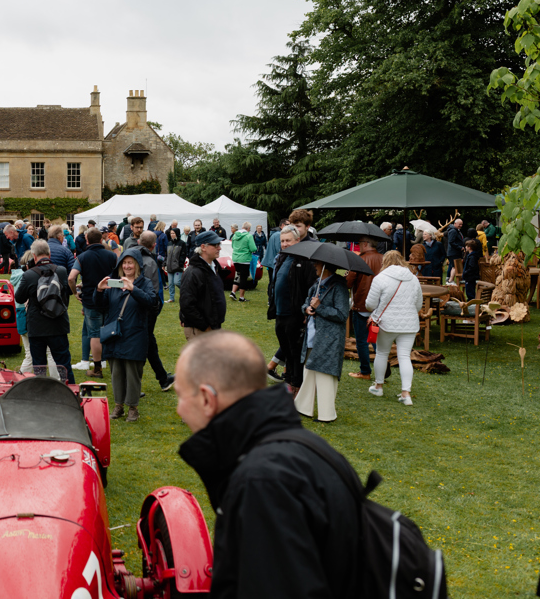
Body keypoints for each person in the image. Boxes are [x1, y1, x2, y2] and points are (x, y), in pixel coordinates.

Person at [174, 331, 360, 598]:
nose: (180, 409)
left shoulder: (262, 483)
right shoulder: (307, 447)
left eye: (181, 396)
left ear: (206, 399)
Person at [94, 247, 156, 420]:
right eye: (124, 263)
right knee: (116, 372)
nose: (127, 266)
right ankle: (118, 405)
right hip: (115, 334)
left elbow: (151, 302)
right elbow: (100, 306)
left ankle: (133, 408)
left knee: (132, 372)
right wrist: (99, 291)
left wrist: (133, 289)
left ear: (137, 265)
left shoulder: (145, 283)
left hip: (135, 334)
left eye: (130, 263)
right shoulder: (114, 283)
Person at [295, 259, 350, 422]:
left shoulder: (339, 287)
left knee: (325, 374)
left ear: (326, 267)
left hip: (329, 339)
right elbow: (306, 302)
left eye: (317, 265)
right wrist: (306, 308)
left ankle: (327, 414)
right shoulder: (317, 284)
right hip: (313, 336)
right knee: (309, 370)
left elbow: (342, 315)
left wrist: (320, 307)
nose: (314, 267)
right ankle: (303, 407)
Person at [13, 239, 74, 383]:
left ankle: (42, 395)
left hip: (37, 324)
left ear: (34, 256)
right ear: (49, 254)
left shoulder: (29, 275)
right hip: (58, 323)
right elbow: (66, 295)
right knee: (64, 364)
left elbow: (19, 298)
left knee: (39, 366)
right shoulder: (61, 271)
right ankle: (71, 392)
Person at [366, 250, 422, 406]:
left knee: (382, 353)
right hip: (409, 324)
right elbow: (418, 305)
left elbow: (370, 304)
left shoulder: (380, 278)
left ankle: (378, 386)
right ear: (402, 260)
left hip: (386, 323)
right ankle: (406, 393)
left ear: (385, 261)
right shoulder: (413, 279)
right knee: (404, 356)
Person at [268, 225, 316, 392]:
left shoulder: (304, 260)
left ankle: (296, 386)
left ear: (297, 240)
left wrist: (306, 311)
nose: (285, 244)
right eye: (282, 241)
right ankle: (289, 382)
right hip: (280, 312)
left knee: (295, 353)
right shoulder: (281, 257)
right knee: (286, 351)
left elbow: (311, 287)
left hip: (296, 313)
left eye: (288, 240)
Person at [69, 227, 118, 377]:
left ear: (87, 240)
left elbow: (71, 278)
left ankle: (97, 369)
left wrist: (75, 292)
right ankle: (114, 366)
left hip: (91, 299)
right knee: (111, 331)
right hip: (110, 297)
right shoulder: (112, 256)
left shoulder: (82, 257)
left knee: (95, 334)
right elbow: (118, 276)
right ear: (102, 239)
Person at [138, 230, 175, 390]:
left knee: (148, 342)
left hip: (141, 306)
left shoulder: (133, 257)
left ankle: (163, 378)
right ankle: (135, 384)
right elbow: (151, 289)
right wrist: (155, 307)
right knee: (143, 343)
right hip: (145, 308)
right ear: (154, 245)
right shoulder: (149, 262)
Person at [12, 252, 59, 375]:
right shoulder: (31, 276)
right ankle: (56, 380)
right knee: (46, 352)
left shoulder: (16, 276)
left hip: (20, 314)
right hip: (31, 315)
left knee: (30, 353)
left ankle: (21, 378)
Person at [344, 238, 383, 380]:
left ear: (366, 244)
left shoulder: (359, 260)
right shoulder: (384, 259)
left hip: (362, 305)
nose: (359, 246)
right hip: (380, 307)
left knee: (362, 341)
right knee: (378, 340)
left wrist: (346, 276)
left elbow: (348, 283)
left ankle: (365, 371)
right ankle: (382, 369)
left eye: (360, 243)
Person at [179, 230, 226, 339]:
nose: (219, 248)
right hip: (200, 330)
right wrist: (204, 326)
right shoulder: (193, 272)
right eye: (215, 245)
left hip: (213, 327)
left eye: (219, 244)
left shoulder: (213, 267)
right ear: (203, 247)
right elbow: (187, 304)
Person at [230, 221, 254, 302]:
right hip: (244, 259)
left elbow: (232, 246)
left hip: (235, 258)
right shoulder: (248, 236)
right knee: (243, 277)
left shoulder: (235, 235)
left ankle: (233, 292)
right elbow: (253, 248)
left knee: (238, 275)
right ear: (248, 228)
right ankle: (241, 297)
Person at [164, 227, 187, 303]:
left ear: (177, 234)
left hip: (177, 267)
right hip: (170, 266)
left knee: (177, 282)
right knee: (170, 283)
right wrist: (164, 263)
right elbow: (167, 255)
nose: (172, 235)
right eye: (171, 233)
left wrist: (180, 263)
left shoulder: (182, 243)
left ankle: (187, 291)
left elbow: (183, 255)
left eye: (173, 233)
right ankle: (171, 298)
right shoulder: (169, 243)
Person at [461, 238, 481, 302]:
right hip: (470, 276)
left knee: (470, 290)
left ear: (469, 248)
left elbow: (472, 267)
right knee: (470, 290)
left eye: (466, 246)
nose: (465, 247)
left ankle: (471, 301)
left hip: (470, 276)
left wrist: (466, 272)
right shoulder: (471, 256)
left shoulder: (472, 257)